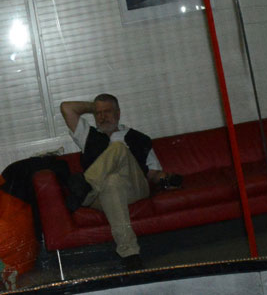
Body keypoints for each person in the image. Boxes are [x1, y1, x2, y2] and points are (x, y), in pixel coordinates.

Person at [59, 95, 181, 269]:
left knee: (118, 148)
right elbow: (66, 108)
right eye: (98, 113)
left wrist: (167, 179)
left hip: (134, 189)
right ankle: (130, 253)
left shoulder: (139, 139)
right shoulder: (88, 135)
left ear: (118, 113)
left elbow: (153, 173)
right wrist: (93, 107)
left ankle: (86, 186)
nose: (102, 117)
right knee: (112, 182)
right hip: (101, 195)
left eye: (107, 112)